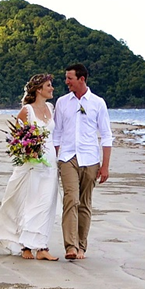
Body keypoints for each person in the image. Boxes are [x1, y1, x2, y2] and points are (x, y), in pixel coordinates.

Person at [0, 74, 63, 261]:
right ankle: (25, 246)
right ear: (39, 89)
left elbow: (55, 137)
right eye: (49, 85)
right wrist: (29, 150)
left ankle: (42, 247)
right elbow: (17, 139)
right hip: (32, 165)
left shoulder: (50, 108)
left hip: (50, 164)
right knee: (30, 204)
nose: (52, 88)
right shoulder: (26, 111)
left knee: (46, 204)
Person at [51, 63, 110, 260]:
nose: (66, 82)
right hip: (67, 157)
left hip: (91, 159)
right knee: (71, 199)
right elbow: (56, 133)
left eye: (70, 78)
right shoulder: (62, 102)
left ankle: (82, 246)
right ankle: (70, 246)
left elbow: (106, 136)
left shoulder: (98, 103)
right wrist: (57, 157)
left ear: (82, 79)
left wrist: (105, 166)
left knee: (84, 203)